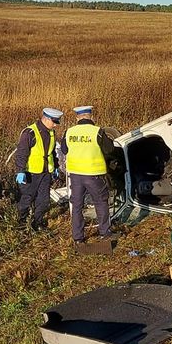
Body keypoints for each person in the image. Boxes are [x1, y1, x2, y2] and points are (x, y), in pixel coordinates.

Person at [63, 104, 116, 248]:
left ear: (77, 118)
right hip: (93, 174)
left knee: (77, 205)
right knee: (100, 202)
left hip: (75, 175)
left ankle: (78, 238)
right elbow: (110, 150)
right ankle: (105, 233)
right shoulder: (97, 131)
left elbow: (64, 149)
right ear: (91, 116)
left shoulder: (69, 132)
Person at [14, 107, 62, 230]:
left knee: (44, 200)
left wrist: (56, 166)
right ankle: (21, 223)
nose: (56, 125)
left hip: (46, 172)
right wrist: (20, 171)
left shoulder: (51, 133)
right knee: (27, 198)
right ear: (46, 119)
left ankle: (37, 223)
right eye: (54, 122)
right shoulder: (29, 133)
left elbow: (52, 152)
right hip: (31, 173)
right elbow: (21, 154)